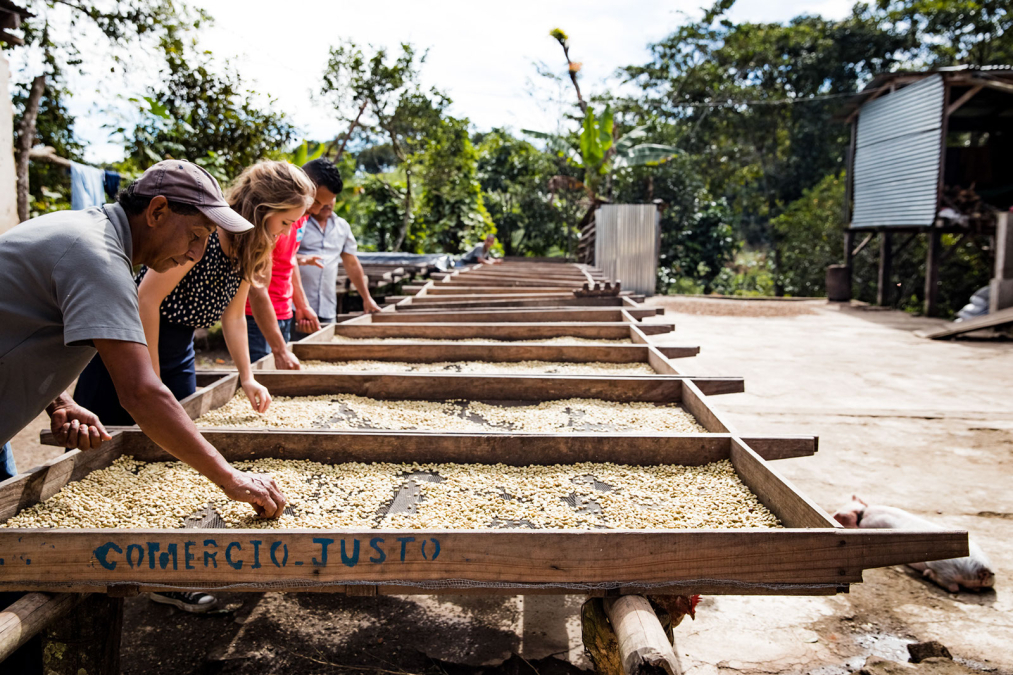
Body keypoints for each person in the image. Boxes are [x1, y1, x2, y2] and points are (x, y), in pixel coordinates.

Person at [0, 159, 287, 507]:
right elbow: (140, 393)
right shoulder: (98, 259)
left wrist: (60, 401)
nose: (196, 252)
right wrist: (231, 478)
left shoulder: (91, 232)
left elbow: (23, 325)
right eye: (195, 235)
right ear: (157, 211)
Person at [74, 161, 315, 426]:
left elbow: (234, 317)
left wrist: (247, 377)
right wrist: (151, 379)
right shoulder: (203, 233)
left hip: (180, 353)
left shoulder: (250, 249)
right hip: (130, 348)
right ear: (263, 210)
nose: (287, 231)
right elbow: (146, 301)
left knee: (178, 437)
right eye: (286, 221)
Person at [294, 158, 381, 335]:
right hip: (294, 307)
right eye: (318, 202)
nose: (323, 206)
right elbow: (281, 257)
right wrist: (302, 260)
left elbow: (352, 263)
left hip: (327, 307)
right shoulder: (294, 220)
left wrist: (366, 298)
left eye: (329, 201)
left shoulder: (342, 226)